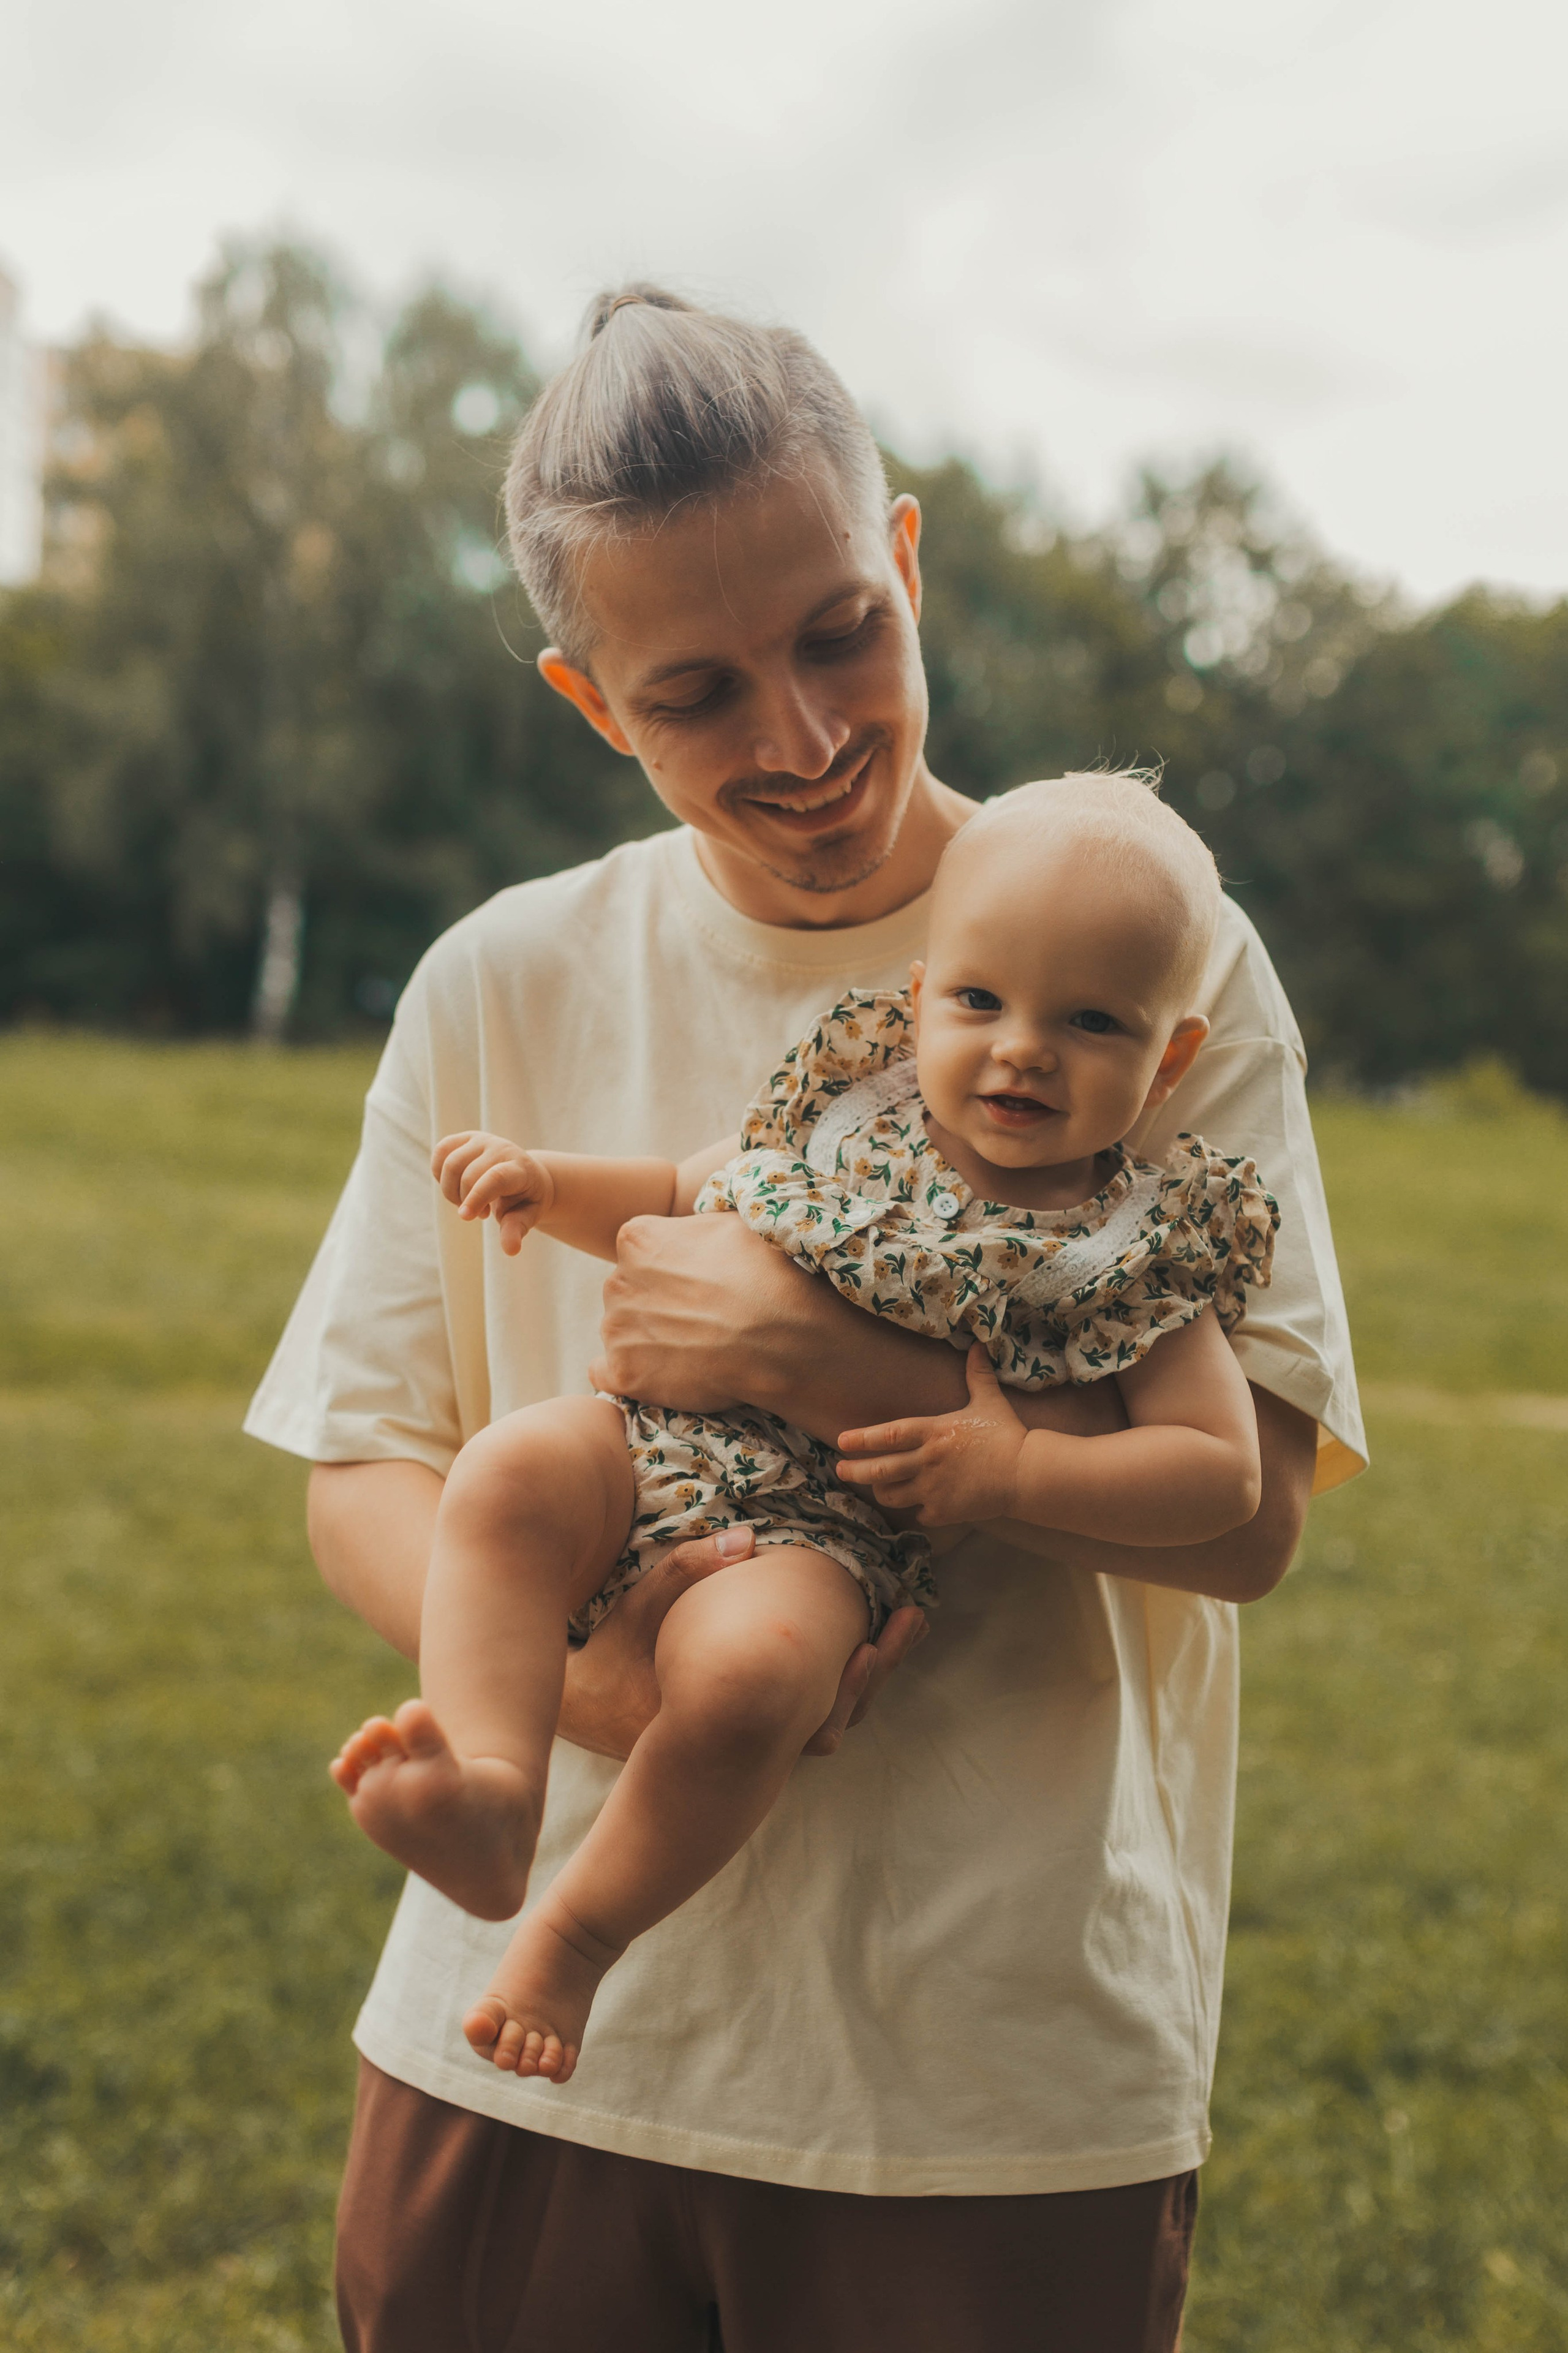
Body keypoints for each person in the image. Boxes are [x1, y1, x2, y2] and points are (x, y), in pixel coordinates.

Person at [245, 283, 1365, 2353]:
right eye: (697, 692)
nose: (805, 734)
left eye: (844, 629)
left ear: (909, 557)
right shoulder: (504, 976)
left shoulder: (1133, 952)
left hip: (986, 2076)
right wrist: (613, 1694)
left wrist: (815, 1367)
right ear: (597, 703)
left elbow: (1253, 1519)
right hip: (517, 2043)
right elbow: (366, 1464)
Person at [328, 774, 1280, 2096]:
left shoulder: (1128, 1246)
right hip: (647, 1433)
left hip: (818, 1530)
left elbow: (1221, 1479)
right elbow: (676, 1190)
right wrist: (548, 1188)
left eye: (1089, 1022)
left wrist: (1014, 1466)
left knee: (750, 1678)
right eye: (978, 1002)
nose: (1020, 1050)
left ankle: (570, 1937)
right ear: (919, 990)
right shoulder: (849, 1111)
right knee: (504, 1474)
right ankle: (494, 1788)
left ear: (1168, 1057)